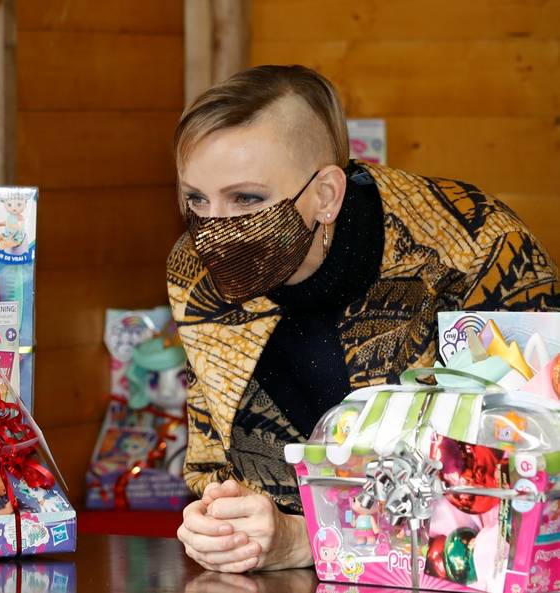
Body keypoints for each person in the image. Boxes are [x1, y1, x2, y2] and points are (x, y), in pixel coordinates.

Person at [168, 64, 560, 573]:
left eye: (248, 199)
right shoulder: (195, 272)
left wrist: (309, 537)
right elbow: (213, 456)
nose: (214, 230)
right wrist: (218, 522)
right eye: (196, 198)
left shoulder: (476, 248)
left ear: (326, 195)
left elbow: (530, 478)